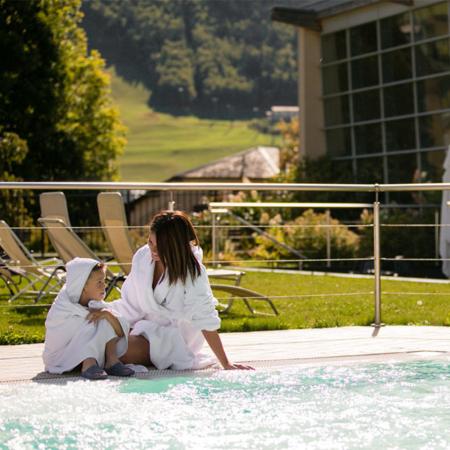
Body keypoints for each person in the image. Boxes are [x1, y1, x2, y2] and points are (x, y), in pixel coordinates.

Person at [111, 210, 253, 371]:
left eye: (161, 247)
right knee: (92, 333)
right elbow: (131, 302)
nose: (153, 251)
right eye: (151, 242)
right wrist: (111, 319)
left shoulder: (192, 273)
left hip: (172, 338)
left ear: (175, 247)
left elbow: (205, 317)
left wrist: (226, 363)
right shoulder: (143, 256)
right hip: (141, 326)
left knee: (116, 350)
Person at [43, 257, 135, 380]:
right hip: (61, 358)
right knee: (92, 320)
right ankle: (88, 363)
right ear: (83, 286)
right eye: (99, 282)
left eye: (104, 281)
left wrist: (108, 315)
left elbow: (120, 331)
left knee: (104, 316)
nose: (104, 286)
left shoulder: (95, 305)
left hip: (79, 356)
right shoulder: (63, 308)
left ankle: (112, 361)